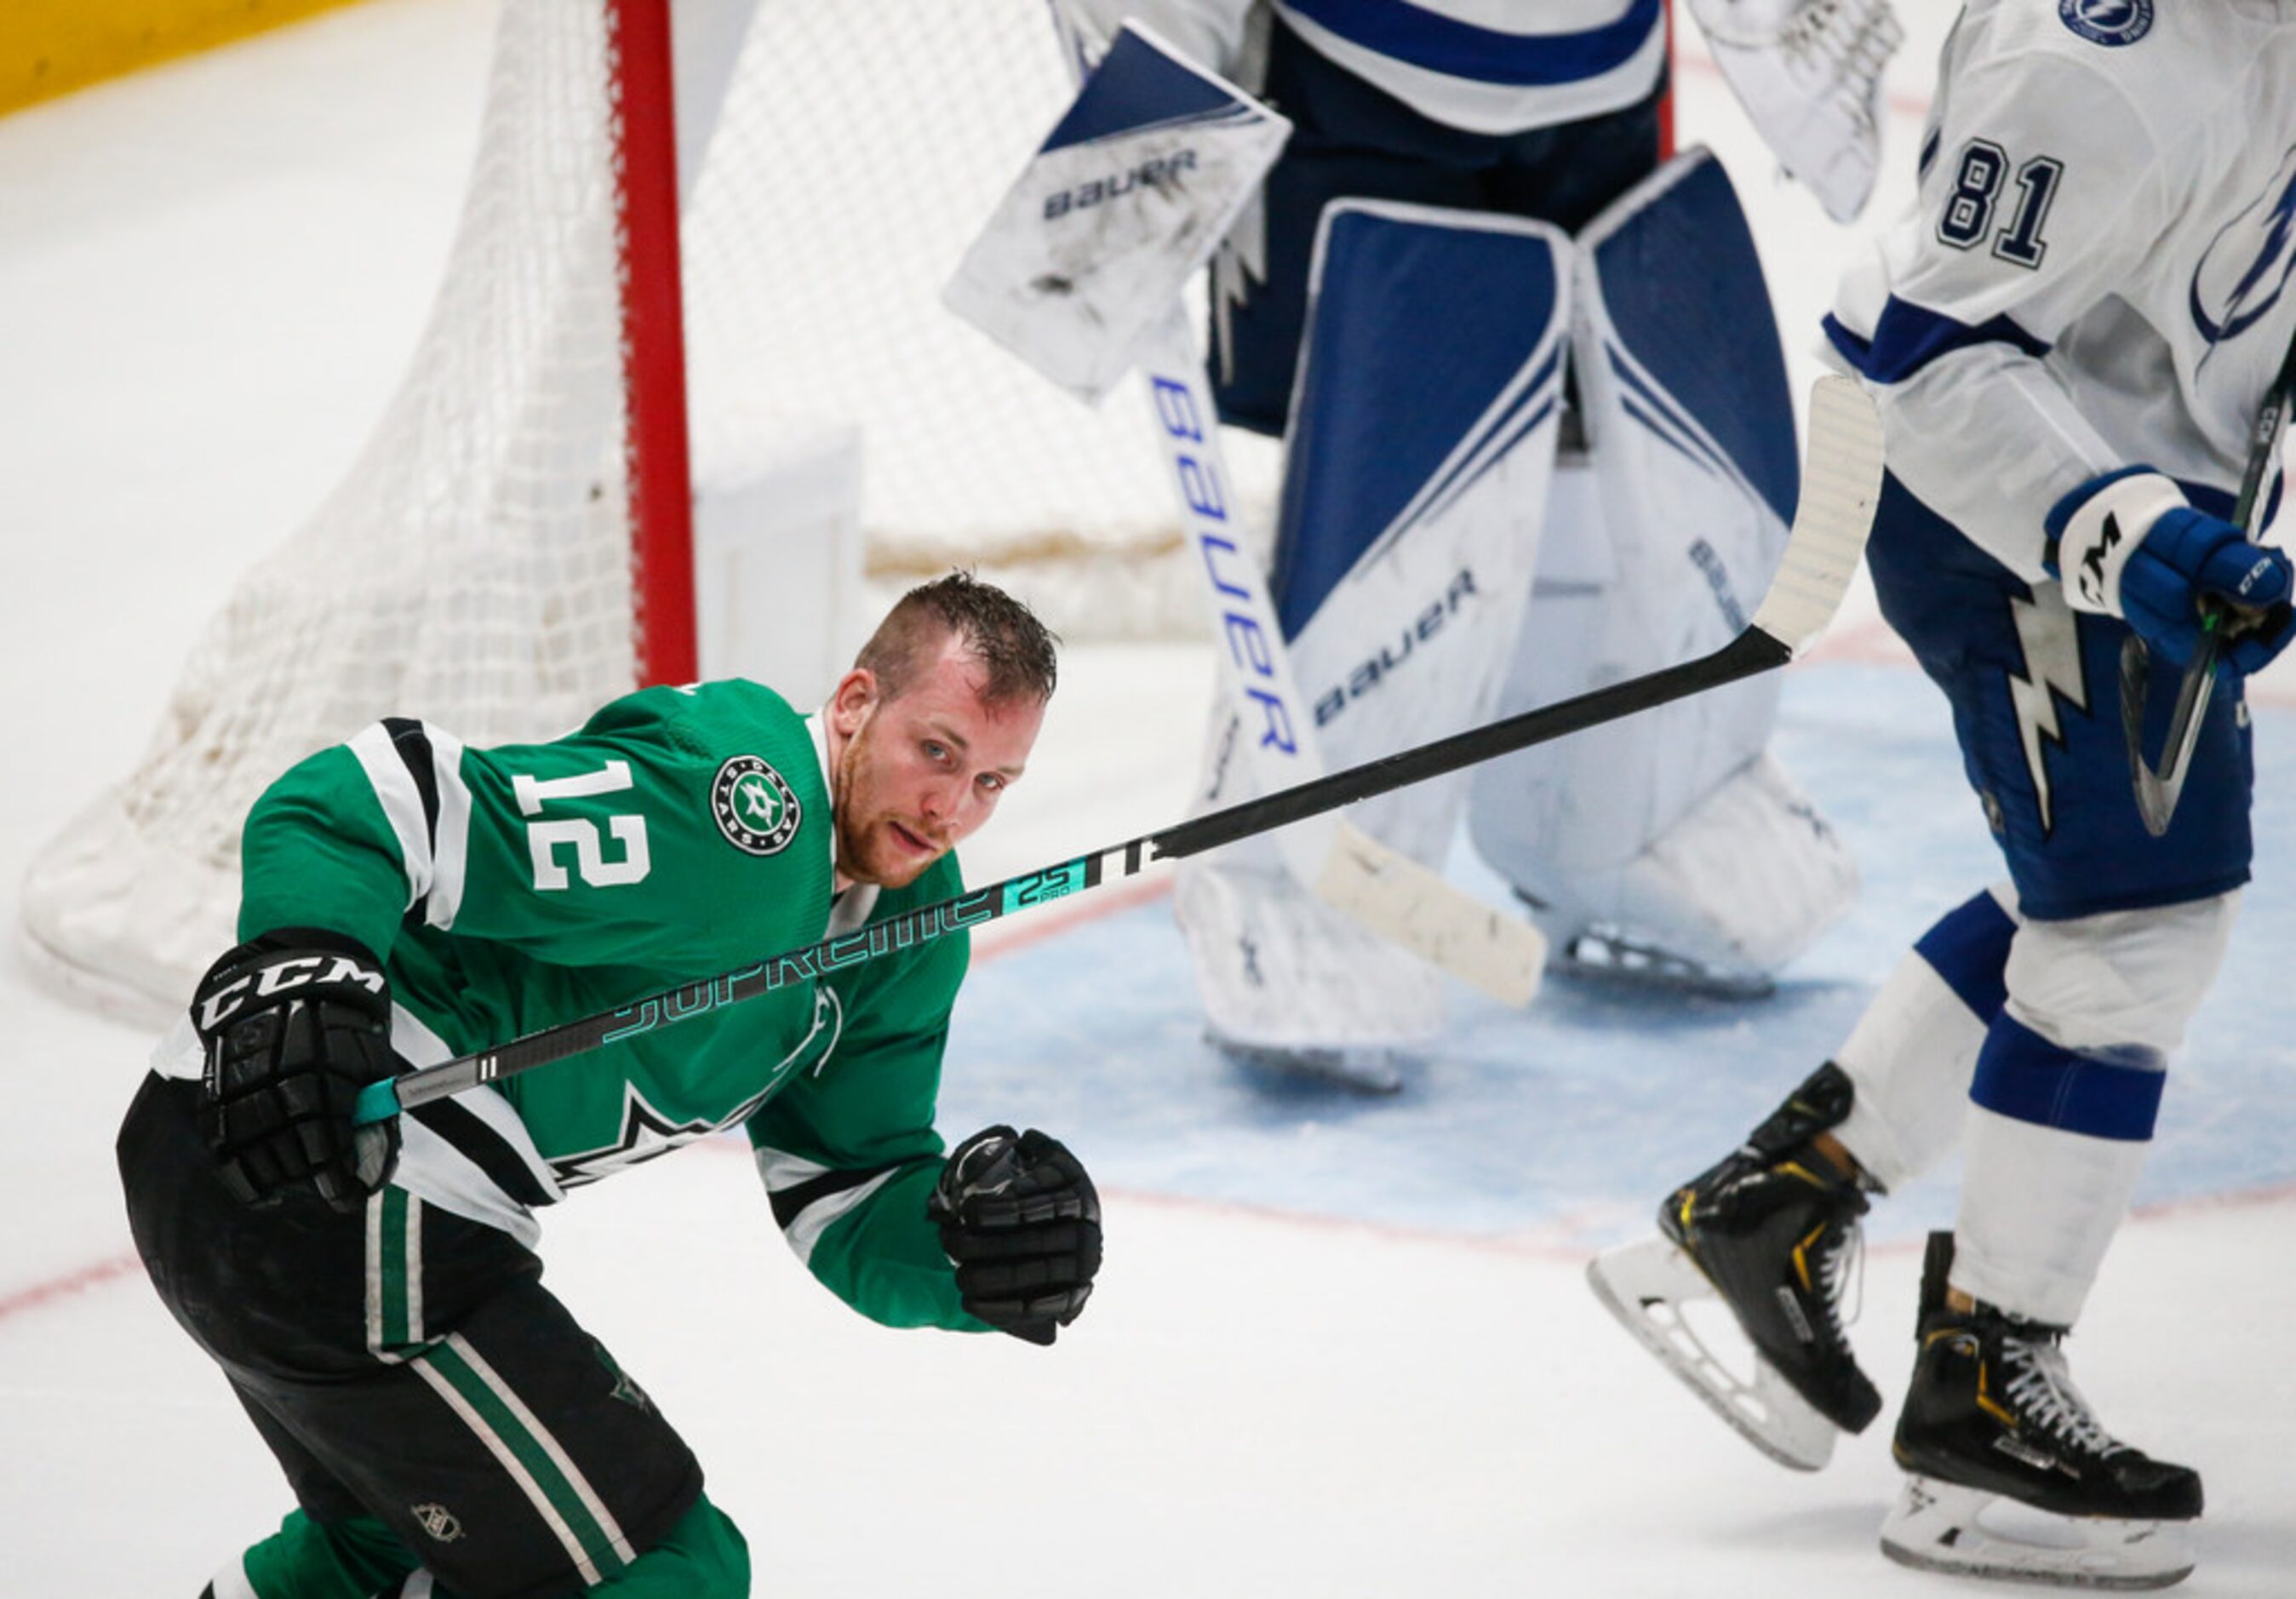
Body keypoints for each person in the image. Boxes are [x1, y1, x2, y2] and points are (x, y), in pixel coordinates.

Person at [1589, 0, 2296, 1585]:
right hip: (2016, 515)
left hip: (2148, 497)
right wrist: (2125, 532)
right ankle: (1980, 1401)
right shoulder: (2090, 58)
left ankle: (1777, 1202)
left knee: (2094, 896)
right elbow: (1927, 353)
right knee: (2129, 931)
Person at [117, 572, 1105, 1598]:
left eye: (993, 782)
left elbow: (846, 1186)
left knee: (389, 1551)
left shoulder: (903, 931)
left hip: (261, 1187)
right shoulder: (740, 811)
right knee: (665, 1570)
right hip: (327, 1159)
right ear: (856, 705)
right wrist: (299, 967)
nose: (951, 807)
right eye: (936, 751)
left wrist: (969, 1253)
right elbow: (370, 796)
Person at [1062, 0, 1869, 1090]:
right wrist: (1147, 85)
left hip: (1605, 76)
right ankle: (1290, 874)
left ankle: (1636, 810)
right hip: (1363, 82)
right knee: (1413, 439)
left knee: (1642, 405)